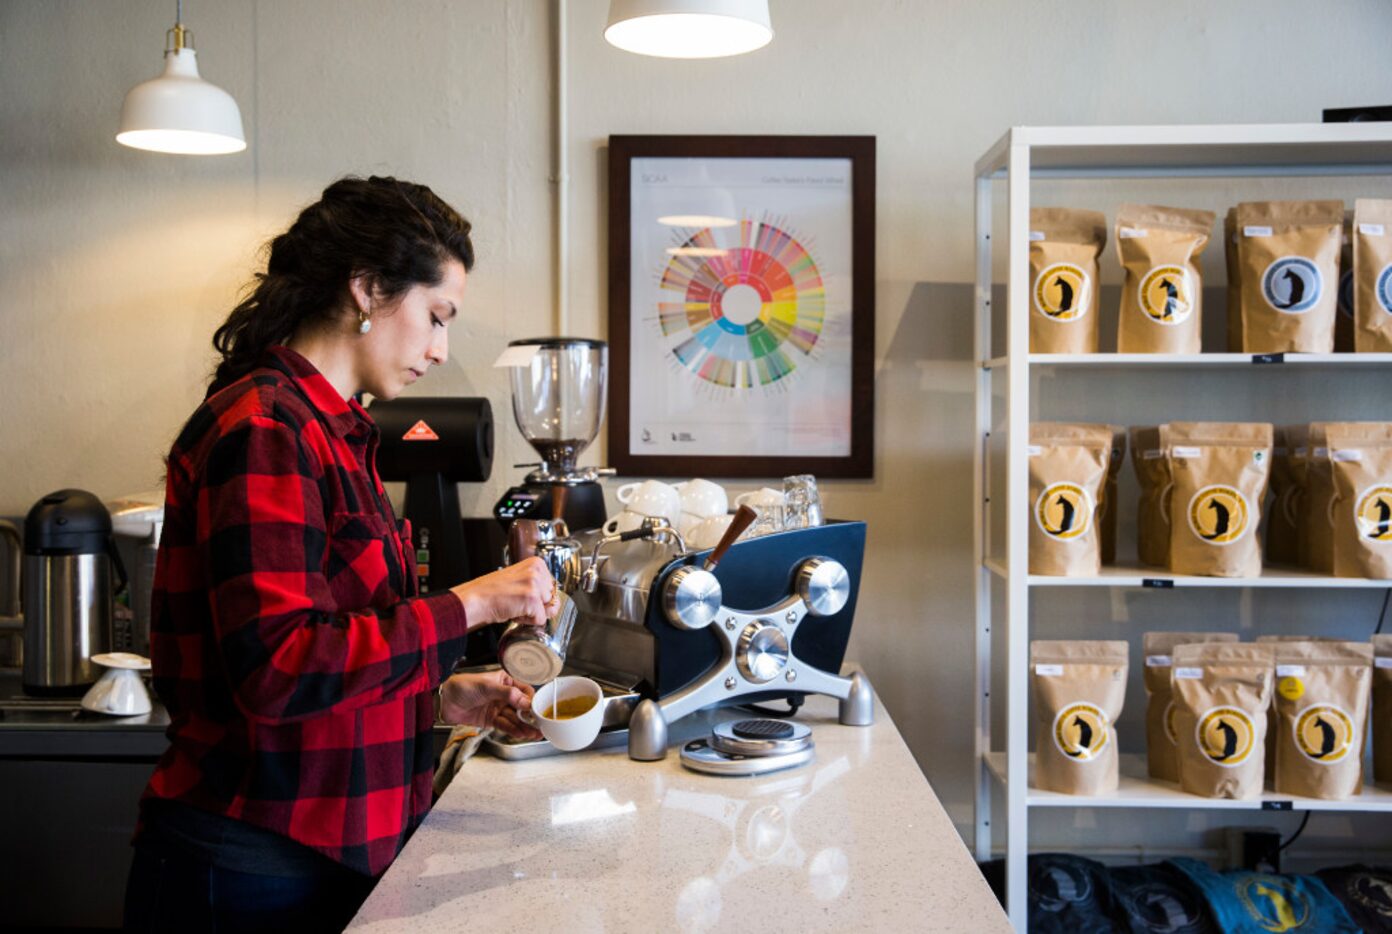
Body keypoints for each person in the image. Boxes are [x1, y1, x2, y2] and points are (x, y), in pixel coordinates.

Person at [123, 176, 553, 933]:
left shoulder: (335, 430)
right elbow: (278, 668)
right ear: (367, 290)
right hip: (251, 864)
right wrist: (476, 602)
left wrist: (437, 701)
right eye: (435, 316)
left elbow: (325, 661)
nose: (439, 349)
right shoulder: (266, 428)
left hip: (314, 854)